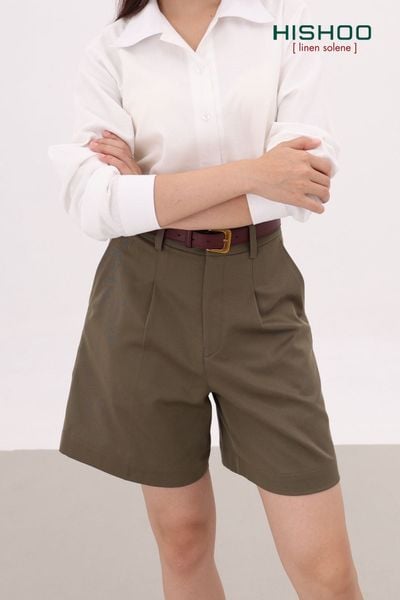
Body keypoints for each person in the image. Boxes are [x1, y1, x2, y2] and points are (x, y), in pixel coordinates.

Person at [48, 0, 364, 597]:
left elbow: (302, 185)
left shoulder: (285, 26)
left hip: (260, 293)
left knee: (326, 569)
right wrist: (253, 173)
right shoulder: (113, 50)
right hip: (144, 299)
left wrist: (149, 193)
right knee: (183, 540)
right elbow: (97, 205)